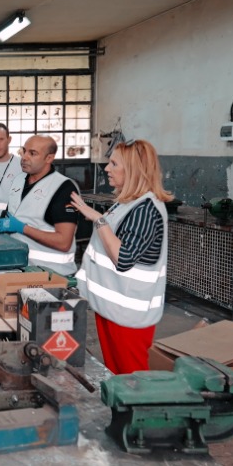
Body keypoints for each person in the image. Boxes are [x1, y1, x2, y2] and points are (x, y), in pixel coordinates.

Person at [71, 139, 172, 375]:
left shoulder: (146, 209)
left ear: (133, 170)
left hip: (128, 315)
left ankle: (141, 413)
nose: (107, 169)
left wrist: (98, 219)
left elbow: (123, 258)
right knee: (116, 376)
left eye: (114, 163)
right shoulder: (126, 204)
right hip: (111, 307)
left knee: (132, 381)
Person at [0, 135, 80, 275]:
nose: (24, 157)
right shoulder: (19, 180)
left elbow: (64, 243)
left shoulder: (63, 188)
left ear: (49, 158)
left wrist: (22, 228)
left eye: (32, 153)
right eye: (24, 151)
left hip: (53, 275)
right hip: (19, 269)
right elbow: (12, 217)